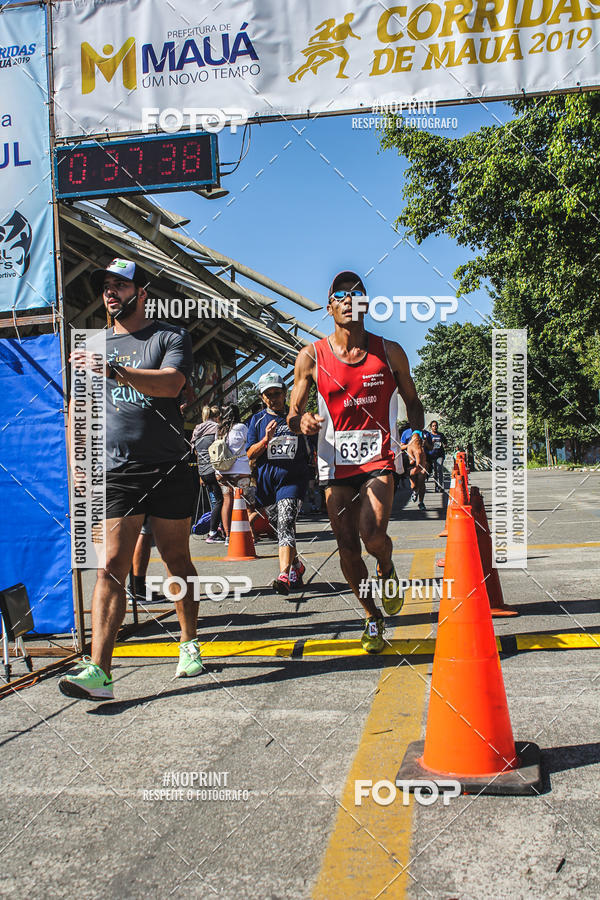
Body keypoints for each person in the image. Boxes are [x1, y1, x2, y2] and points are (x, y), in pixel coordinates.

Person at [59, 258, 204, 701]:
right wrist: (76, 465)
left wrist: (113, 370)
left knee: (176, 560)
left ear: (141, 293)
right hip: (116, 470)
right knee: (111, 566)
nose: (110, 292)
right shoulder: (92, 343)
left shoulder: (168, 336)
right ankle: (99, 671)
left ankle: (189, 642)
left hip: (168, 468)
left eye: (120, 285)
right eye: (105, 285)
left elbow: (172, 384)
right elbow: (75, 410)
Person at [288, 270, 425, 653]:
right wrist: (302, 422)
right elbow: (293, 413)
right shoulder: (311, 357)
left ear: (367, 304)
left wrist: (415, 436)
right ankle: (371, 617)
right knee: (347, 545)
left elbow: (413, 403)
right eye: (341, 295)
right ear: (329, 306)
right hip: (335, 463)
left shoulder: (390, 351)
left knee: (373, 535)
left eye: (357, 294)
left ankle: (385, 566)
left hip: (378, 457)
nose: (349, 300)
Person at [246, 372, 310, 594]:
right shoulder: (257, 421)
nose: (274, 398)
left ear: (285, 393)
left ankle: (284, 575)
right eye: (268, 394)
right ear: (262, 397)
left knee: (285, 523)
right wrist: (266, 439)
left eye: (277, 393)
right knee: (283, 527)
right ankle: (297, 566)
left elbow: (313, 443)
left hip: (293, 480)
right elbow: (250, 455)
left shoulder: (296, 418)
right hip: (268, 484)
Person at [214, 403, 255, 542]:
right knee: (247, 503)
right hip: (241, 471)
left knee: (227, 501)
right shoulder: (242, 428)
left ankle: (228, 536)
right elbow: (249, 444)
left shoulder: (219, 431)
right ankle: (250, 534)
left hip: (222, 471)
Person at [192, 405, 225, 542]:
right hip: (214, 470)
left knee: (215, 500)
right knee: (221, 501)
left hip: (203, 471)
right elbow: (220, 449)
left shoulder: (197, 430)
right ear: (217, 417)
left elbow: (196, 453)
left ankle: (218, 528)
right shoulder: (216, 428)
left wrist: (201, 474)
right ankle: (213, 532)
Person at [400, 425, 432, 510]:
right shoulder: (406, 432)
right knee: (413, 485)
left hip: (424, 460)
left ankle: (421, 502)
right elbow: (401, 446)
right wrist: (409, 445)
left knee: (422, 479)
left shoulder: (426, 433)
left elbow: (431, 447)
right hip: (411, 461)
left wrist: (426, 444)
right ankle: (415, 490)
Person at [428, 420, 447, 491]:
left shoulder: (441, 435)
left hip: (440, 455)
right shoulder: (429, 435)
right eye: (433, 426)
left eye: (436, 425)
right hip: (432, 455)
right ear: (431, 427)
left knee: (440, 469)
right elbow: (426, 445)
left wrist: (445, 445)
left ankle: (441, 486)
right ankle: (436, 486)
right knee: (435, 472)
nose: (435, 427)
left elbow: (445, 442)